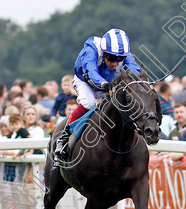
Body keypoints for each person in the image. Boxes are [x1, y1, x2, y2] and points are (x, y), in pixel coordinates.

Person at [53, 28, 141, 162]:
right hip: (86, 81)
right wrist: (104, 84)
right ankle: (64, 138)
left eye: (120, 59)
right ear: (103, 52)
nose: (115, 63)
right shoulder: (91, 49)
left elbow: (134, 69)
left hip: (109, 82)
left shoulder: (122, 53)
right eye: (111, 58)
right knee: (89, 104)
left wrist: (136, 80)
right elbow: (91, 71)